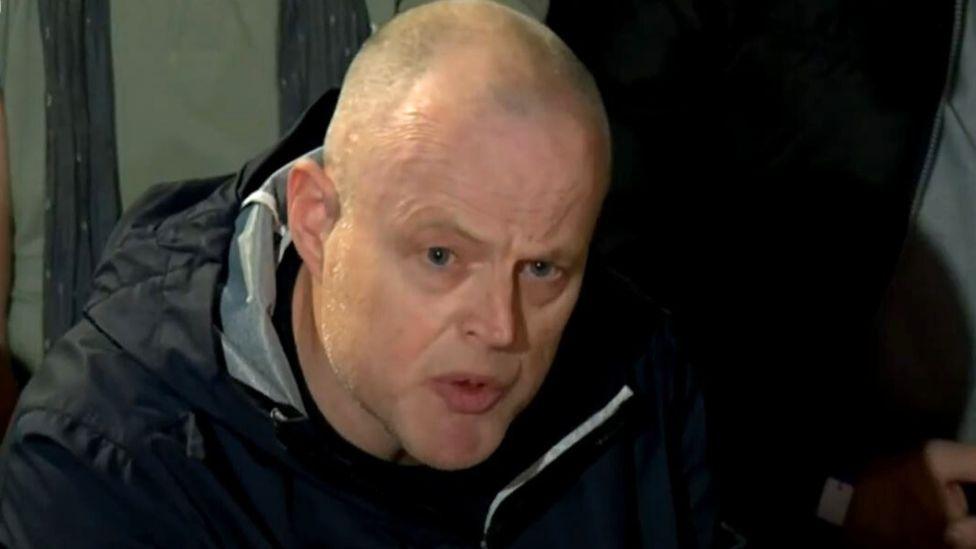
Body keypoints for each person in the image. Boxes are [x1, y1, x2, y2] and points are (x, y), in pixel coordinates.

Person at [0, 2, 714, 547]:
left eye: (542, 268)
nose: (500, 326)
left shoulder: (635, 379)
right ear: (315, 221)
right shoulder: (104, 466)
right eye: (441, 256)